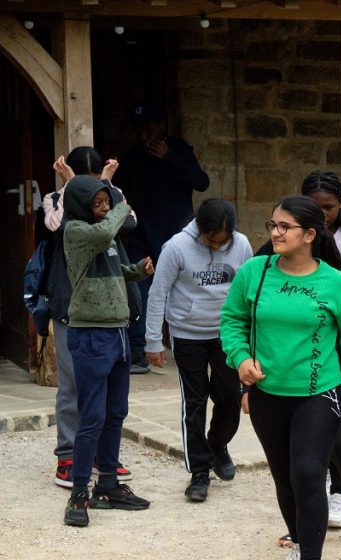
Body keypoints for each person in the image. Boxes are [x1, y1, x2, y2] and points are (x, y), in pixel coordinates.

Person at [221, 195, 341, 560]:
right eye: (273, 225)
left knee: (308, 473)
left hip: (318, 393)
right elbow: (232, 321)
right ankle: (299, 545)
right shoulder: (254, 273)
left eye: (283, 227)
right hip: (268, 394)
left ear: (309, 235)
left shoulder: (335, 283)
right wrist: (241, 359)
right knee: (284, 477)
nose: (274, 233)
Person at [256, 171, 341, 544]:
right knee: (301, 456)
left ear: (340, 206)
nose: (323, 214)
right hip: (293, 365)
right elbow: (253, 298)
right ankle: (301, 525)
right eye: (315, 209)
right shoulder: (274, 252)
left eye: (328, 208)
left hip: (340, 356)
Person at [42, 147, 138, 489]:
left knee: (110, 394)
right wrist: (72, 188)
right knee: (71, 384)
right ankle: (68, 455)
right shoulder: (56, 199)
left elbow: (127, 221)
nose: (103, 203)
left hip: (109, 307)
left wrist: (105, 190)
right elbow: (57, 225)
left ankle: (102, 456)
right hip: (70, 303)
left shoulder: (110, 197)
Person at [61, 176, 155, 527]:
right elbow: (105, 233)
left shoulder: (104, 235)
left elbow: (114, 272)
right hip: (91, 335)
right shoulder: (76, 230)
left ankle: (109, 485)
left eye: (106, 203)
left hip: (117, 332)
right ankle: (79, 491)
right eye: (97, 203)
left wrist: (138, 271)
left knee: (116, 412)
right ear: (83, 205)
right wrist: (120, 201)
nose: (104, 209)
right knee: (92, 416)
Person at [144, 198, 252, 502]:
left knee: (231, 396)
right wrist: (153, 340)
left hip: (227, 334)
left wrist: (252, 335)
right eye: (212, 240)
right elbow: (157, 293)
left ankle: (217, 443)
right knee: (194, 401)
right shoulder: (176, 247)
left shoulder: (242, 245)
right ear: (201, 231)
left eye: (223, 242)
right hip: (188, 334)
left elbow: (249, 289)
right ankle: (200, 472)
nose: (218, 246)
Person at [115, 102, 210, 374]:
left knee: (188, 292)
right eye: (140, 129)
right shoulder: (134, 155)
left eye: (150, 127)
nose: (146, 134)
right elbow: (118, 191)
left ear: (162, 126)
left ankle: (193, 348)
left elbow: (201, 182)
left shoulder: (179, 150)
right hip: (144, 236)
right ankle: (138, 352)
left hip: (178, 238)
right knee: (137, 294)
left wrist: (169, 157)